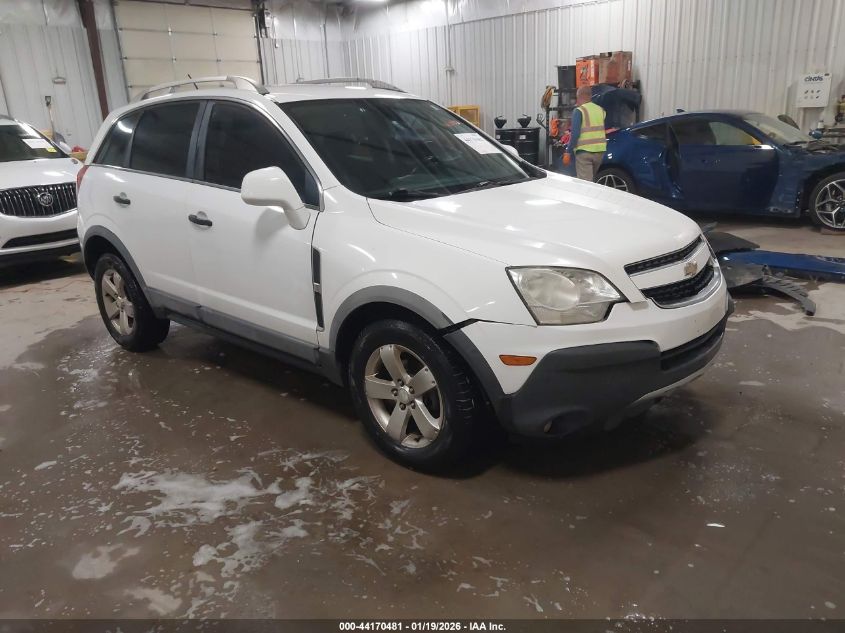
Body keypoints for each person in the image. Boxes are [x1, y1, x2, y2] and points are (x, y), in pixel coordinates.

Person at [568, 86, 607, 181]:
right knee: (591, 181)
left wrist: (568, 151)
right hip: (600, 152)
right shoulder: (601, 110)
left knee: (586, 185)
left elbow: (575, 134)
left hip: (584, 152)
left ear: (579, 96)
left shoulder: (579, 111)